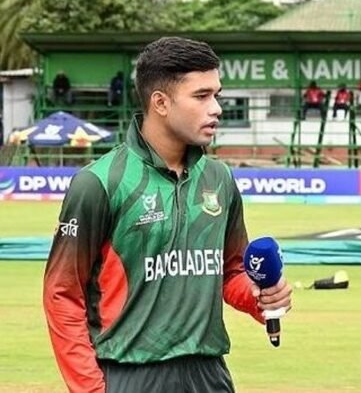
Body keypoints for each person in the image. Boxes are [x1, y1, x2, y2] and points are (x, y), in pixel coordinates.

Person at [43, 36, 293, 393]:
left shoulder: (219, 179)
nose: (217, 108)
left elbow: (231, 271)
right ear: (160, 102)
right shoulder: (99, 183)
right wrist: (89, 389)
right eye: (201, 96)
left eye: (216, 94)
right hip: (130, 375)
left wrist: (260, 297)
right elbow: (62, 294)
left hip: (209, 375)